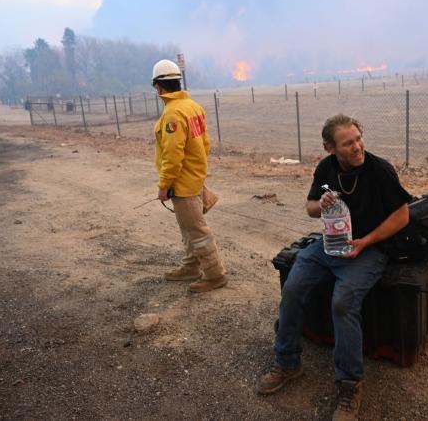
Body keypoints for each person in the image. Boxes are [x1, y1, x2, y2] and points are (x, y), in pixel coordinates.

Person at [257, 114, 411, 420]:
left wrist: (366, 241)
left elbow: (402, 216)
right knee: (292, 288)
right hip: (329, 245)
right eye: (348, 143)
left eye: (358, 138)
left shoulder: (379, 170)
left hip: (367, 250)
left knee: (342, 302)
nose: (357, 147)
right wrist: (322, 204)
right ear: (330, 148)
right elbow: (310, 208)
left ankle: (349, 385)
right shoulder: (326, 168)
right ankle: (288, 362)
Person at [151, 59, 228, 293]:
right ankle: (190, 267)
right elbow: (205, 144)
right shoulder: (194, 107)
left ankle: (215, 275)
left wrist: (164, 184)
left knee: (197, 230)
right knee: (188, 227)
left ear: (159, 87)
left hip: (182, 183)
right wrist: (197, 172)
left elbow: (173, 154)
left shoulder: (172, 114)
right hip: (193, 178)